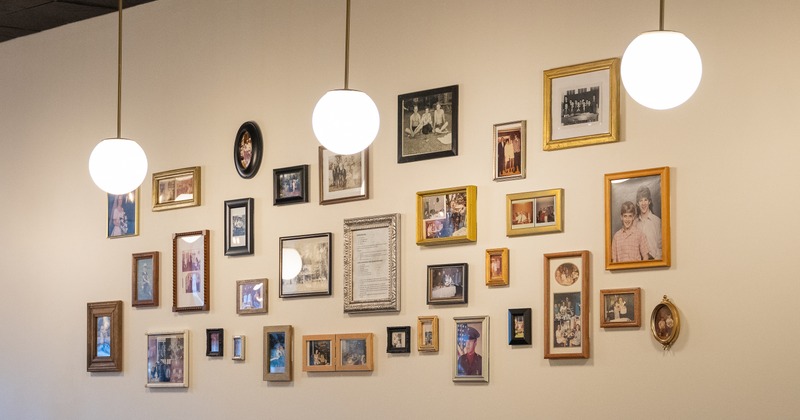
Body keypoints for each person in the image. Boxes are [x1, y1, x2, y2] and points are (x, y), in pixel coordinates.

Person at [633, 185, 662, 260]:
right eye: (640, 200)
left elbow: (661, 247)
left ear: (649, 201)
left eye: (645, 200)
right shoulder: (634, 223)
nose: (643, 203)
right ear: (637, 203)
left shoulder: (657, 221)